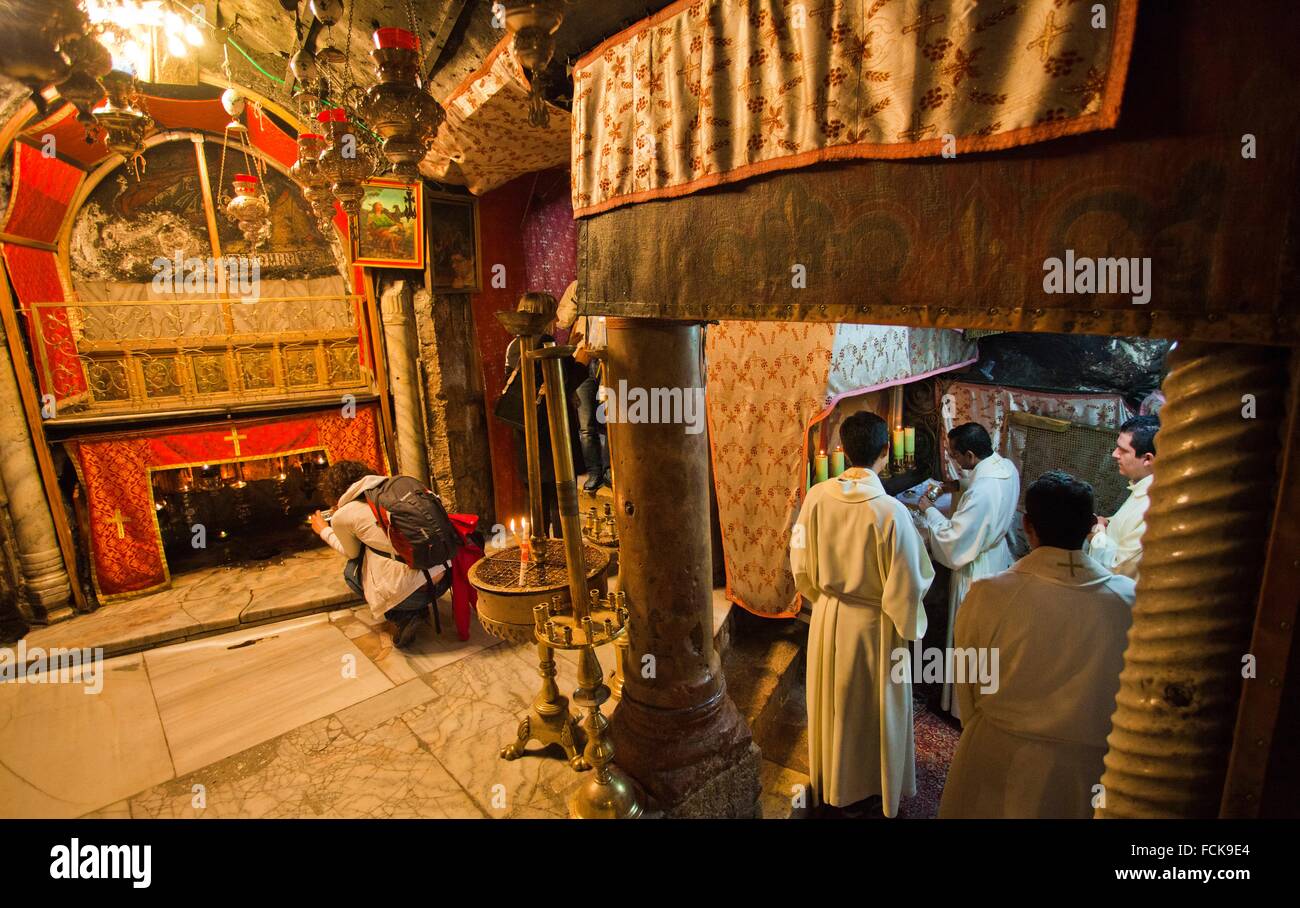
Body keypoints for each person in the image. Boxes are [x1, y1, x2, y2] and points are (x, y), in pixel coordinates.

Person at [938, 471, 1136, 819]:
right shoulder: (1128, 600)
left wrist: (983, 729)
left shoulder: (988, 594)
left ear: (1027, 525)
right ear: (1092, 524)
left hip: (999, 754)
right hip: (1091, 767)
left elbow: (967, 682)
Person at [792, 411, 935, 818]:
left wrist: (821, 595)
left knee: (833, 706)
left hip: (829, 617)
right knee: (872, 712)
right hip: (875, 626)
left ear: (845, 448)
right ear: (885, 453)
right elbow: (912, 580)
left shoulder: (817, 496)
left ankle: (832, 781)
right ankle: (873, 785)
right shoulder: (891, 512)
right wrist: (907, 619)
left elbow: (798, 553)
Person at [915, 421, 1019, 719]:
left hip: (975, 566)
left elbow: (954, 540)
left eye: (955, 455)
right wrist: (957, 486)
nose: (953, 460)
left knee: (968, 636)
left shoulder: (982, 490)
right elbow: (982, 495)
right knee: (984, 637)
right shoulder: (1004, 467)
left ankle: (964, 708)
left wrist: (928, 510)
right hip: (995, 556)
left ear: (970, 455)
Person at [310, 460, 445, 650]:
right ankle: (416, 605)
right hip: (444, 579)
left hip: (411, 594)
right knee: (383, 549)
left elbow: (351, 553)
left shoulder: (344, 514)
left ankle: (403, 615)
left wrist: (325, 530)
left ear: (333, 492)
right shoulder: (398, 488)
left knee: (353, 569)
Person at [502, 291, 586, 535]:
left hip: (527, 430)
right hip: (550, 431)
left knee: (538, 497)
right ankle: (565, 552)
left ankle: (540, 548)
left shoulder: (515, 345)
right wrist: (581, 361)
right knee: (561, 499)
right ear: (544, 316)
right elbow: (557, 385)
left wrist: (568, 348)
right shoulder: (543, 342)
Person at [1085, 414, 1159, 579]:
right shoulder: (1143, 488)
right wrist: (1107, 523)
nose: (1114, 454)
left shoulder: (1154, 506)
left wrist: (1096, 533)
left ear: (1147, 459)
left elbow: (1120, 568)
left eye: (1123, 450)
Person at [556, 280, 610, 491]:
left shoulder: (616, 280)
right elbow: (562, 319)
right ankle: (594, 471)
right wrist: (579, 299)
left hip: (609, 356)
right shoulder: (579, 285)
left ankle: (609, 470)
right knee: (586, 422)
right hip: (582, 355)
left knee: (609, 419)